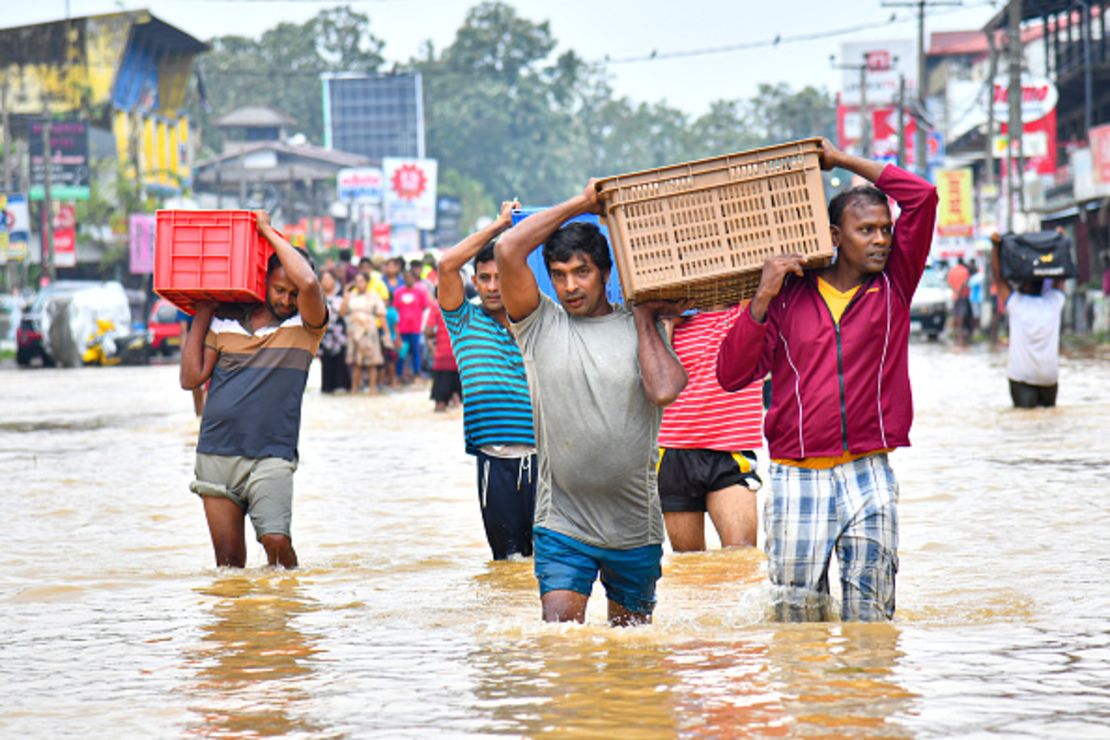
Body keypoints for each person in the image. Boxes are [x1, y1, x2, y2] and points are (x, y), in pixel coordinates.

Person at [716, 138, 937, 622]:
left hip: (869, 471)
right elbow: (730, 375)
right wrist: (760, 298)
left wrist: (839, 160)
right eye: (866, 230)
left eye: (885, 229)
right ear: (836, 236)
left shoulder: (895, 284)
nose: (881, 240)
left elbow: (922, 195)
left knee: (872, 619)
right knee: (797, 624)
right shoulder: (787, 296)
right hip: (796, 475)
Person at [496, 181, 688, 626]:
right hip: (563, 524)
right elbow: (507, 249)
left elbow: (664, 390)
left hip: (634, 527)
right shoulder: (539, 323)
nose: (570, 286)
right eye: (559, 275)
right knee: (562, 647)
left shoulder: (642, 326)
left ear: (605, 273)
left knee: (632, 657)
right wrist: (584, 204)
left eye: (582, 272)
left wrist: (642, 316)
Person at [179, 211, 328, 568]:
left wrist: (264, 231)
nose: (287, 299)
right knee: (229, 565)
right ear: (263, 283)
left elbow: (308, 283)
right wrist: (204, 313)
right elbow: (190, 378)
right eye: (279, 290)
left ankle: (287, 607)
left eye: (292, 294)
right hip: (217, 452)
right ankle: (241, 625)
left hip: (271, 454)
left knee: (276, 542)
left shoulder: (307, 326)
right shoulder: (225, 321)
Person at [437, 200, 538, 560]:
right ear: (475, 281)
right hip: (494, 460)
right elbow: (447, 265)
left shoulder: (537, 320)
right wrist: (499, 227)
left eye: (500, 276)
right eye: (484, 278)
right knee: (508, 563)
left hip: (549, 460)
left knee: (550, 560)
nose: (493, 286)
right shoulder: (463, 321)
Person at [657, 303, 764, 552]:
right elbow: (654, 386)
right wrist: (666, 326)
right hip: (674, 452)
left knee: (742, 558)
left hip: (730, 452)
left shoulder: (747, 312)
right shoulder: (663, 317)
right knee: (689, 565)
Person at [990, 233, 1066, 408]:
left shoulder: (1017, 304)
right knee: (1049, 428)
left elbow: (998, 279)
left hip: (1021, 378)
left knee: (1024, 426)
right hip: (1049, 377)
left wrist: (995, 248)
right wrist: (1059, 244)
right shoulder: (1054, 303)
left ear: (1025, 285)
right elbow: (1060, 276)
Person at [342, 271, 387, 394]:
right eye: (357, 281)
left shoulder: (374, 296)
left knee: (372, 361)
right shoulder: (351, 295)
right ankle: (354, 389)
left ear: (367, 282)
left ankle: (372, 389)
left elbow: (382, 315)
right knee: (356, 362)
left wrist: (387, 334)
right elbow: (342, 312)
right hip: (354, 330)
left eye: (361, 281)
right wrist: (346, 295)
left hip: (369, 330)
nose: (359, 284)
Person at [392, 266, 431, 383]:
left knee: (415, 352)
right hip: (402, 328)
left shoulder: (420, 292)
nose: (408, 280)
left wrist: (422, 325)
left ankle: (416, 374)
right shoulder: (398, 292)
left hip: (415, 328)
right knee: (402, 353)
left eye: (410, 277)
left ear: (414, 279)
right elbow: (395, 309)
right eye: (406, 278)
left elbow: (426, 308)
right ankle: (399, 375)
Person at [424, 299, 461, 412]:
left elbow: (428, 331)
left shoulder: (436, 307)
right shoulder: (463, 305)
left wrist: (432, 349)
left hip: (442, 358)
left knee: (440, 404)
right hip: (460, 358)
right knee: (458, 402)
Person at [317, 270, 350, 394]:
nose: (326, 282)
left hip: (339, 334)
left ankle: (342, 386)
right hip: (324, 334)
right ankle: (327, 388)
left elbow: (343, 313)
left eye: (329, 279)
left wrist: (346, 296)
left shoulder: (341, 295)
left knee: (340, 360)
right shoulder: (317, 297)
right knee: (326, 362)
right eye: (324, 279)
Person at [947, 257, 971, 344]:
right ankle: (960, 336)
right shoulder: (965, 271)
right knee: (961, 315)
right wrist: (959, 292)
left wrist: (955, 291)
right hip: (962, 295)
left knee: (956, 314)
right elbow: (965, 283)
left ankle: (956, 335)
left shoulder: (952, 271)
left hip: (954, 296)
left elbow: (949, 283)